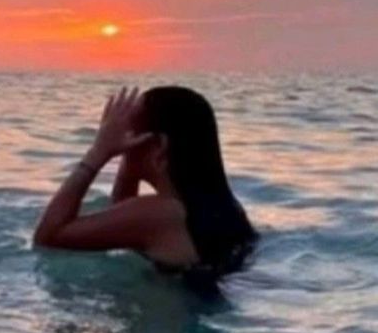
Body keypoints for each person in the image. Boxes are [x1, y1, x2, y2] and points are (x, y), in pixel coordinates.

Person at [33, 85, 256, 278]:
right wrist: (130, 161)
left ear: (159, 145)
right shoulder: (226, 208)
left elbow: (48, 236)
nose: (125, 144)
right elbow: (123, 213)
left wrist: (98, 152)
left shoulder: (161, 214)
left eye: (131, 134)